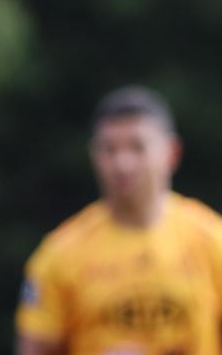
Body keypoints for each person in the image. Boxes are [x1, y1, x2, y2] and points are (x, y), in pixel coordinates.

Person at [16, 86, 222, 355]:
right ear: (94, 155)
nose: (122, 163)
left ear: (171, 153)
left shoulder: (212, 239)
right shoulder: (60, 253)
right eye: (109, 149)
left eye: (138, 147)